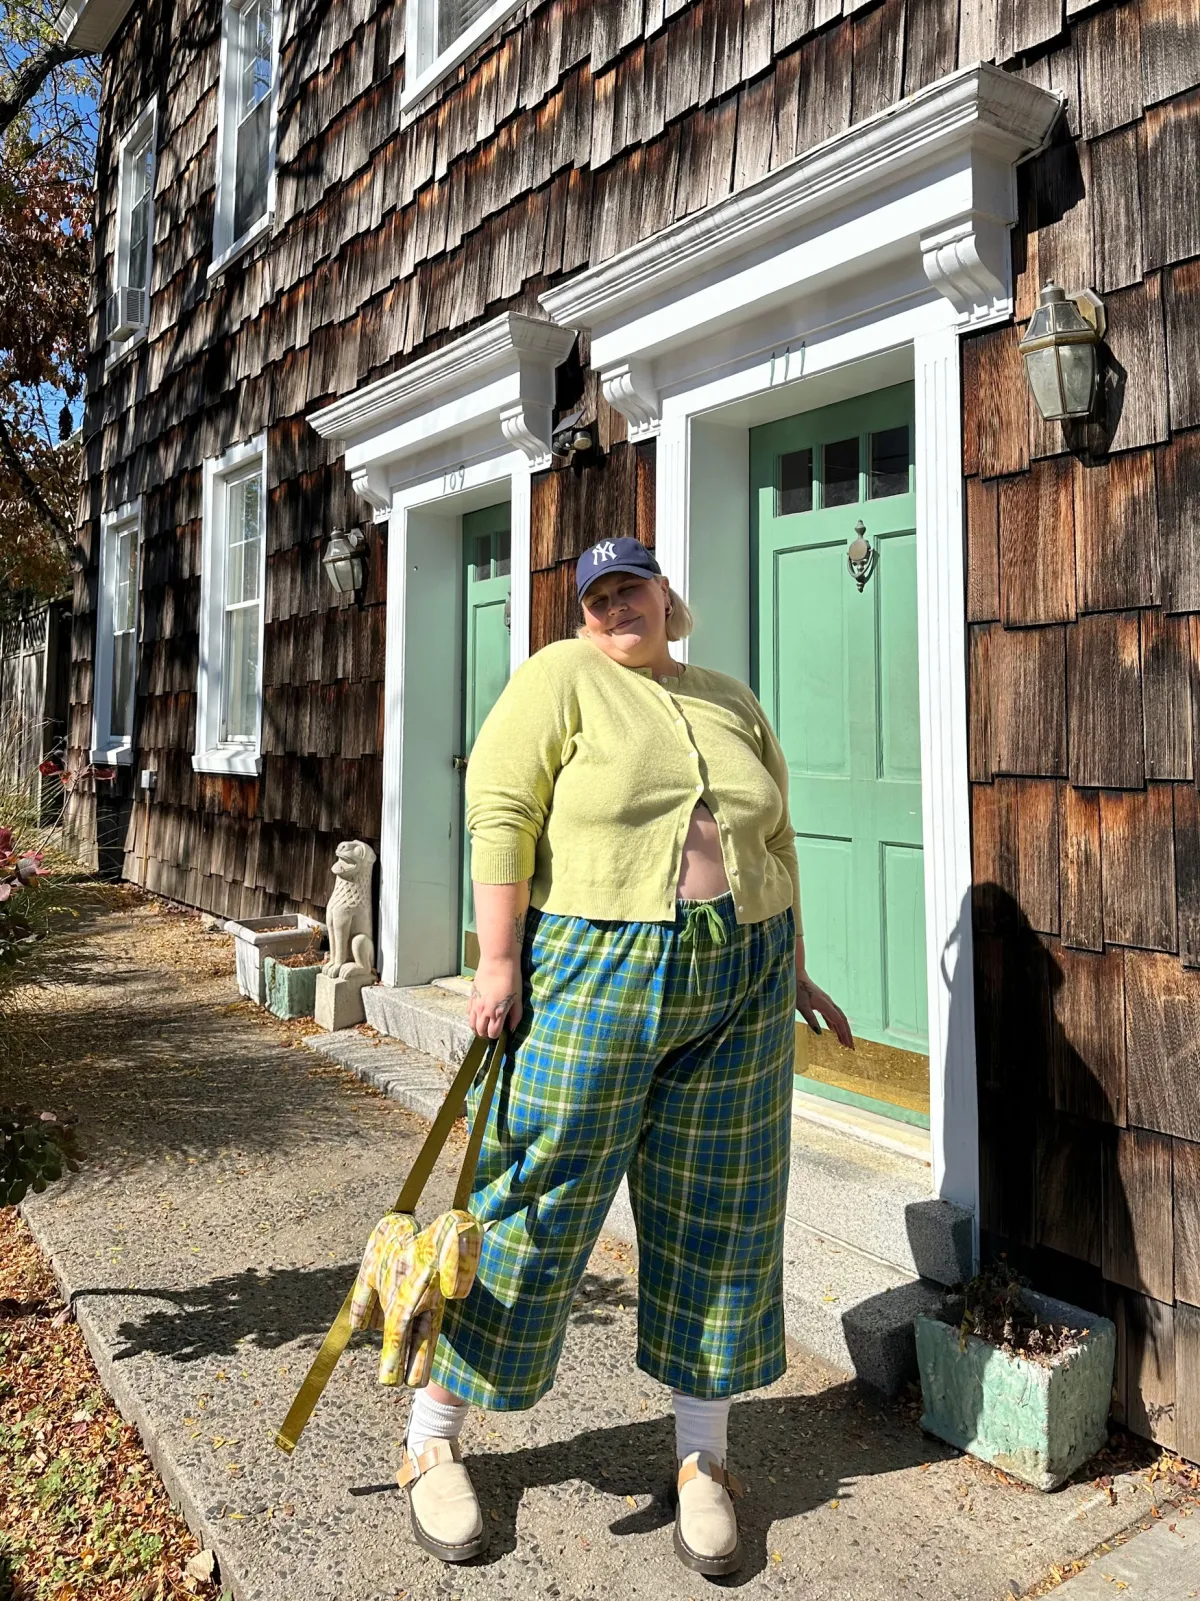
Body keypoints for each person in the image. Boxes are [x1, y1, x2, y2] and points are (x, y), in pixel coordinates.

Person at [397, 535, 852, 1573]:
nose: (614, 607)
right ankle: (431, 1436)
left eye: (629, 586)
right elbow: (501, 809)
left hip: (742, 976)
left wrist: (793, 968)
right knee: (536, 1196)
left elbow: (776, 840)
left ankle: (703, 1457)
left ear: (664, 593)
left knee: (724, 1207)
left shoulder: (729, 697)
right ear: (583, 614)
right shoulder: (560, 677)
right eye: (596, 596)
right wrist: (497, 960)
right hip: (595, 970)